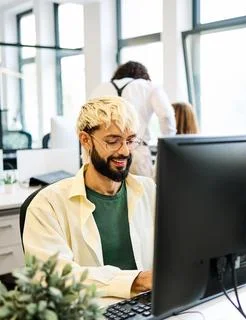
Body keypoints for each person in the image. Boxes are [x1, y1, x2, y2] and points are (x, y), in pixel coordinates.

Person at [23, 96, 155, 299]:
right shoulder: (47, 204)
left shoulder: (149, 190)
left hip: (147, 306)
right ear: (85, 140)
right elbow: (53, 277)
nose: (125, 151)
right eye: (113, 141)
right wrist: (136, 281)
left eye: (130, 141)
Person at [89, 61, 176, 177]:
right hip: (137, 153)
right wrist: (168, 147)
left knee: (107, 193)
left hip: (103, 154)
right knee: (142, 193)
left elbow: (87, 122)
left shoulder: (100, 88)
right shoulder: (148, 86)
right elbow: (166, 116)